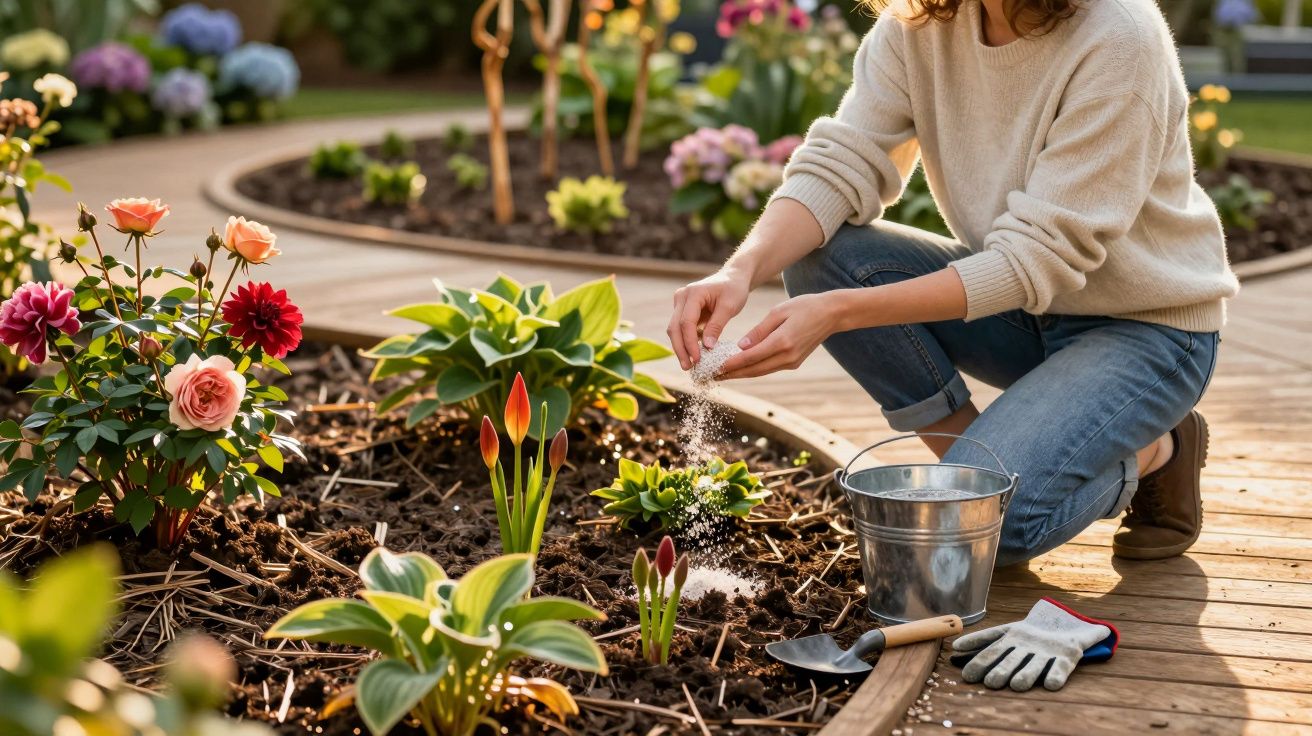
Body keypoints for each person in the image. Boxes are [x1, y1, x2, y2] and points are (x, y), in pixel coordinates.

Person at [667, 0, 1238, 565]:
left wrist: (839, 313)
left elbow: (1038, 256)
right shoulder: (921, 23)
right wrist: (738, 270)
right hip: (1030, 312)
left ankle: (1157, 447)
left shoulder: (1119, 36)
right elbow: (842, 162)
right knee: (826, 261)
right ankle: (969, 473)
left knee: (992, 526)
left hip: (1148, 330)